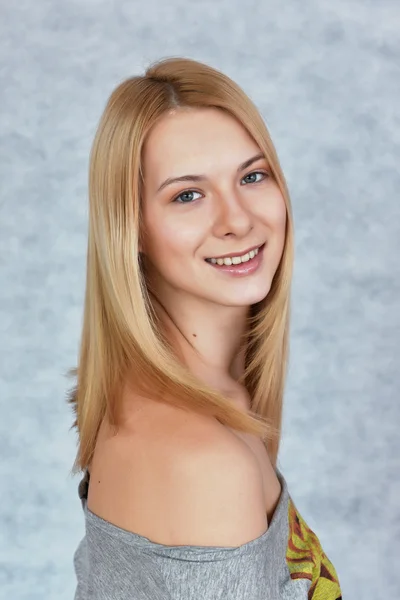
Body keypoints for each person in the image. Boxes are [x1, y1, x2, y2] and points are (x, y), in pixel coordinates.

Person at [68, 56, 342, 599]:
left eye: (252, 175)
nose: (238, 220)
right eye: (187, 195)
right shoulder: (200, 460)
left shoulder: (216, 399)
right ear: (133, 229)